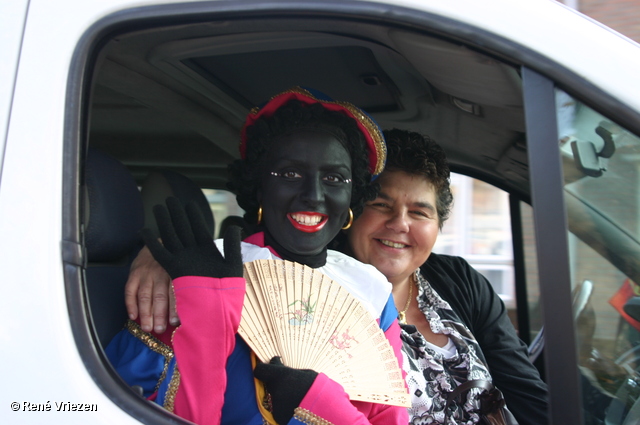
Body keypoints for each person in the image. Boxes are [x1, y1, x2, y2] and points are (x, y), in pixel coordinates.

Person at [124, 129, 548, 424]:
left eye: (420, 212)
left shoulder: (457, 279)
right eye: (382, 205)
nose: (400, 224)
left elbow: (524, 390)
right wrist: (159, 257)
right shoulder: (283, 275)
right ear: (352, 211)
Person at [105, 87, 409, 425]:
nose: (313, 196)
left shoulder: (371, 293)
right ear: (259, 186)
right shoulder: (195, 270)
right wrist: (205, 317)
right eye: (291, 174)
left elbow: (388, 418)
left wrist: (316, 398)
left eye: (334, 178)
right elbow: (130, 409)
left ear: (353, 195)